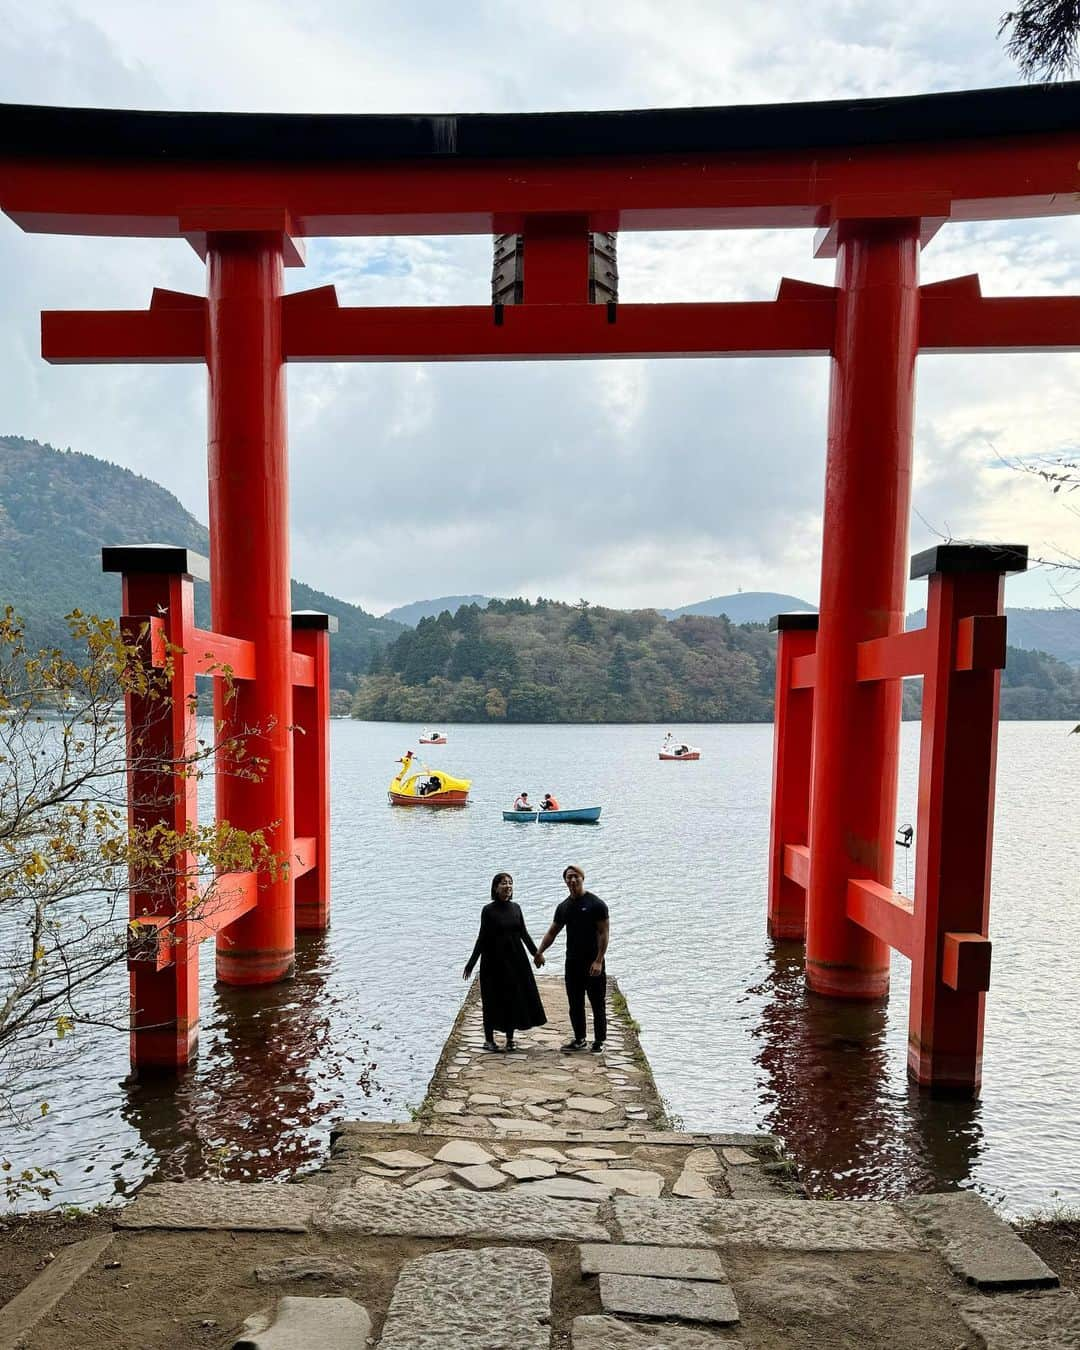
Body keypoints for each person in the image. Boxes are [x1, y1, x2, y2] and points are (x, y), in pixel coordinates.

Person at [463, 873, 547, 1053]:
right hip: (493, 962)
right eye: (503, 883)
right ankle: (489, 1040)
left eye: (510, 883)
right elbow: (482, 938)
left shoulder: (516, 908)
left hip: (515, 961)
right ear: (495, 888)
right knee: (491, 999)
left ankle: (510, 1038)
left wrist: (536, 954)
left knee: (512, 998)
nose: (508, 886)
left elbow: (523, 933)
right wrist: (471, 963)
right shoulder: (488, 910)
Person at [534, 864, 609, 1053]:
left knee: (597, 1003)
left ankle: (599, 1041)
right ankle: (579, 1038)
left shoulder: (596, 904)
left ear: (582, 878)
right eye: (569, 877)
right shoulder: (564, 907)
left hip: (593, 962)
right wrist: (539, 951)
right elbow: (553, 932)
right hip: (573, 962)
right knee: (575, 1003)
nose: (572, 880)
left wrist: (599, 960)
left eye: (576, 876)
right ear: (565, 881)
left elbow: (604, 933)